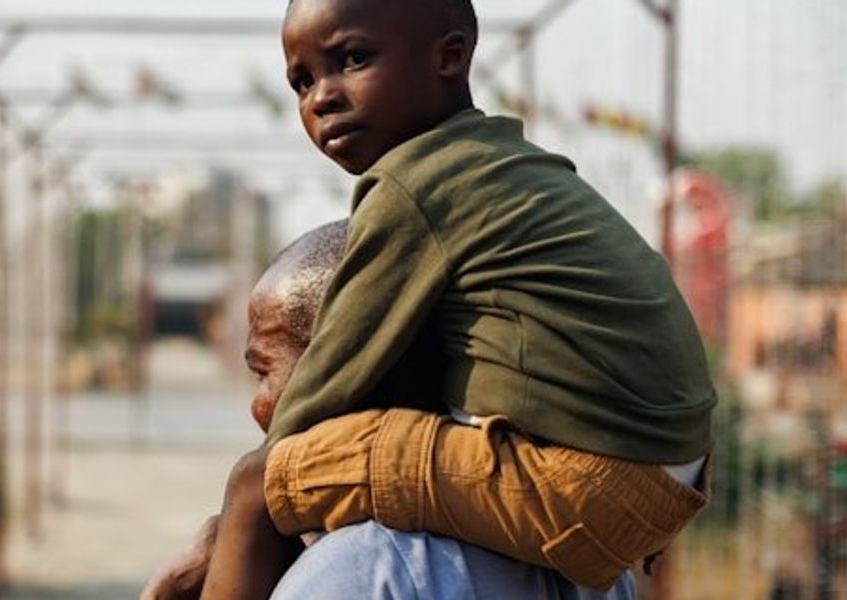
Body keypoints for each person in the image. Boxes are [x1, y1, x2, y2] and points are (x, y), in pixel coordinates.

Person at [200, 0, 716, 598]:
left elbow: (324, 383)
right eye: (302, 81)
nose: (322, 97)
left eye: (354, 59)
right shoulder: (505, 163)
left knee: (257, 483)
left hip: (581, 481)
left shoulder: (413, 186)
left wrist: (234, 529)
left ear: (450, 56)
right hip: (662, 484)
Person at [142, 221, 633, 600]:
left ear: (351, 374)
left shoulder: (361, 571)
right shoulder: (589, 558)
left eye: (264, 372)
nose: (257, 408)